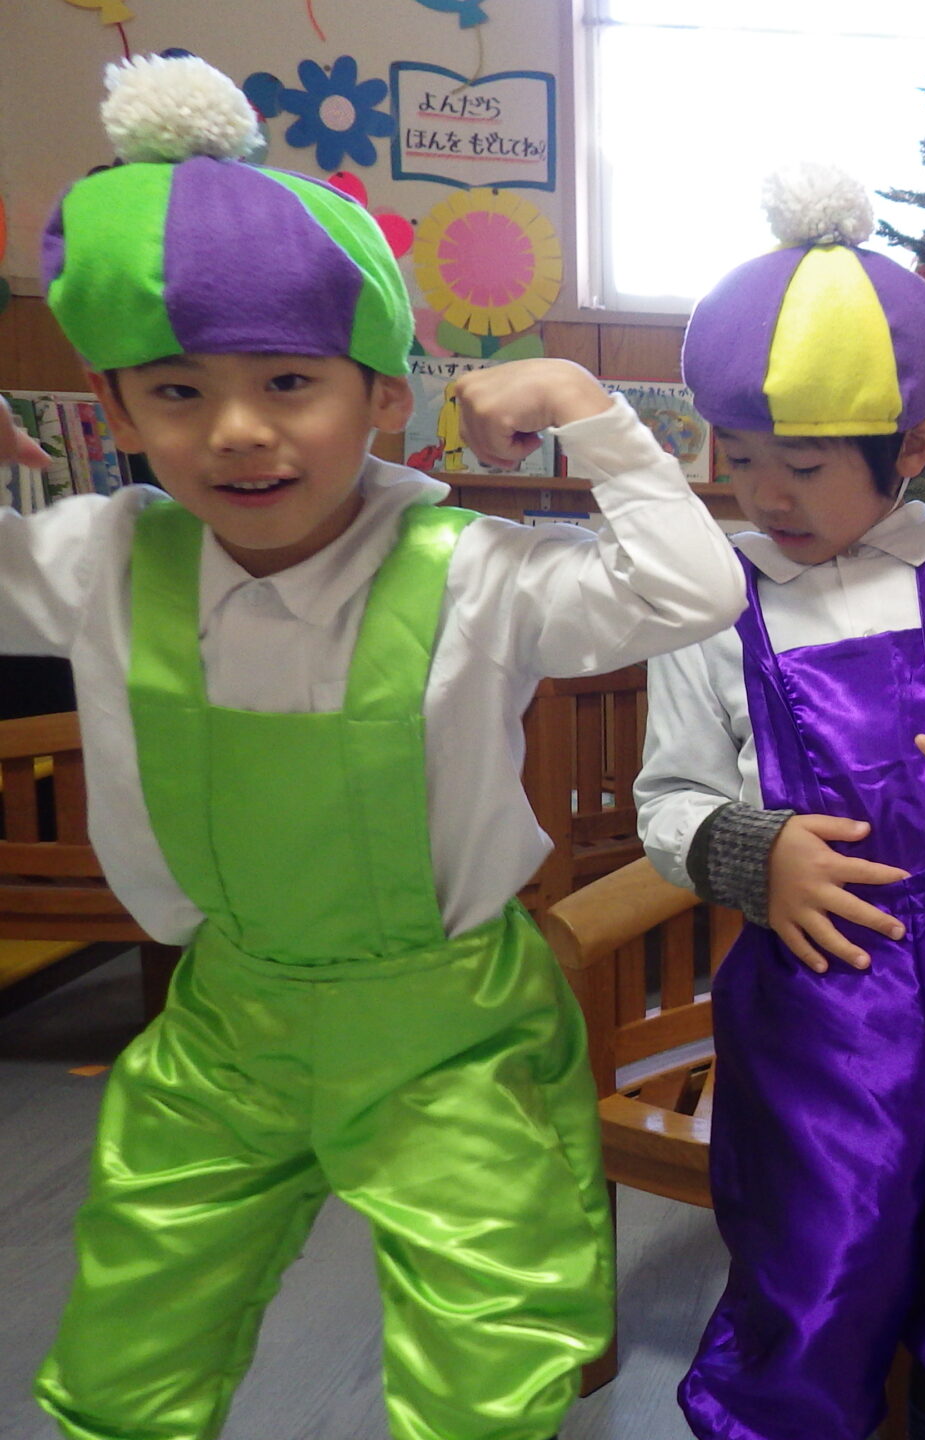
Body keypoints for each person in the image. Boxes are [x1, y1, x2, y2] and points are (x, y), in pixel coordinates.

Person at [9, 56, 746, 1440]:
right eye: (177, 392)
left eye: (290, 382)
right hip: (225, 1026)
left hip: (448, 1034)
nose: (238, 431)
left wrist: (590, 411)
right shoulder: (98, 557)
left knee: (486, 1366)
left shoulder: (470, 569)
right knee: (127, 1349)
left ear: (384, 400)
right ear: (116, 413)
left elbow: (692, 592)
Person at [632, 165, 925, 1440]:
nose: (764, 496)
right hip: (817, 1007)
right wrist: (752, 851)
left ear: (913, 449)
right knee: (819, 1256)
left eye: (801, 465)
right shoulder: (713, 595)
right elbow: (667, 797)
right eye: (737, 459)